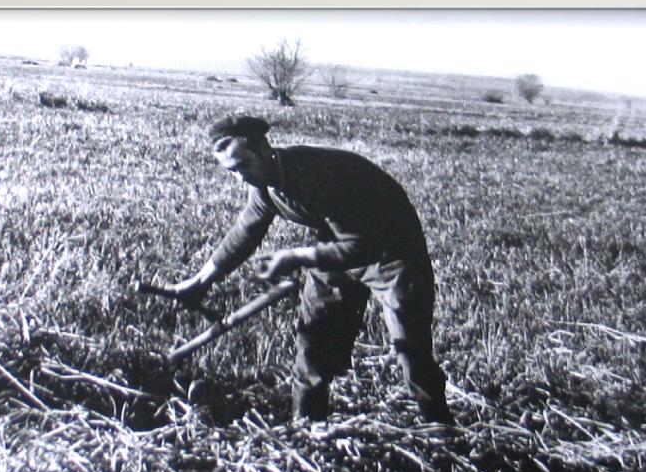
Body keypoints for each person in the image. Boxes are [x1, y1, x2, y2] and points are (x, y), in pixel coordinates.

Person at [169, 115, 453, 424]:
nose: (241, 178)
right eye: (232, 171)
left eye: (243, 166)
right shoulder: (265, 182)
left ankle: (440, 430)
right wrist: (201, 280)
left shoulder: (319, 174)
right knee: (312, 342)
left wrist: (296, 257)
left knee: (410, 350)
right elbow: (245, 232)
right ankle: (306, 429)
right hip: (335, 247)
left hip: (391, 252)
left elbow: (363, 246)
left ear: (265, 149)